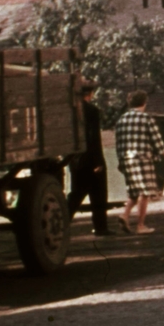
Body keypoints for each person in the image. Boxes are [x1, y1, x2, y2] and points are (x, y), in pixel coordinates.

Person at [115, 89, 164, 235]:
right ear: (144, 102)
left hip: (127, 159)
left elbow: (119, 143)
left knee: (134, 192)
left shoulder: (122, 120)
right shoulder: (146, 119)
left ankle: (124, 215)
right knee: (145, 192)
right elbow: (158, 142)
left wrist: (121, 161)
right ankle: (140, 225)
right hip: (142, 159)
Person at [67, 80, 110, 236]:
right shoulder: (91, 110)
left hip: (74, 158)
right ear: (90, 94)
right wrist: (98, 161)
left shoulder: (69, 111)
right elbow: (94, 137)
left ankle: (63, 221)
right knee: (98, 193)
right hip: (91, 157)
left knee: (76, 193)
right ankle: (100, 227)